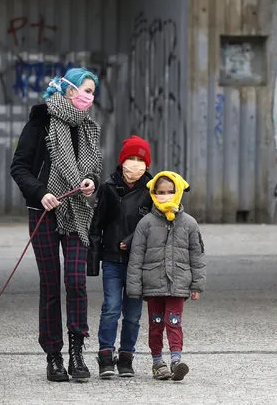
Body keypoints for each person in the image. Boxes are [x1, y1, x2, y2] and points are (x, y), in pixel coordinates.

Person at [10, 68, 103, 382]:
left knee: (76, 281)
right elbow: (19, 167)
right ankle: (54, 356)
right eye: (84, 89)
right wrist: (41, 193)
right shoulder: (41, 121)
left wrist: (91, 182)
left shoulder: (89, 129)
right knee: (50, 285)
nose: (88, 96)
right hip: (44, 211)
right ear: (68, 89)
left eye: (92, 91)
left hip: (77, 211)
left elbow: (93, 169)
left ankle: (77, 353)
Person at [126, 171, 206, 381]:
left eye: (170, 192)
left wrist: (196, 285)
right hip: (153, 284)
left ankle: (176, 361)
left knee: (174, 322)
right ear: (153, 193)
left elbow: (196, 255)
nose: (165, 196)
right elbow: (136, 256)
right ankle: (157, 362)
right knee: (156, 324)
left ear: (178, 192)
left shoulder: (189, 224)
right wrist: (134, 287)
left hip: (178, 284)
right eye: (160, 192)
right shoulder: (146, 223)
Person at [87, 135, 153, 378]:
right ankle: (105, 354)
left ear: (147, 164)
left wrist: (132, 241)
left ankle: (126, 356)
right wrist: (93, 261)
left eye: (140, 159)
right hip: (113, 259)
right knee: (112, 308)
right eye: (130, 159)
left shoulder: (151, 189)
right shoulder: (108, 188)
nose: (134, 164)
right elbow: (96, 226)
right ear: (122, 161)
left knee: (133, 314)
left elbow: (154, 226)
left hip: (139, 262)